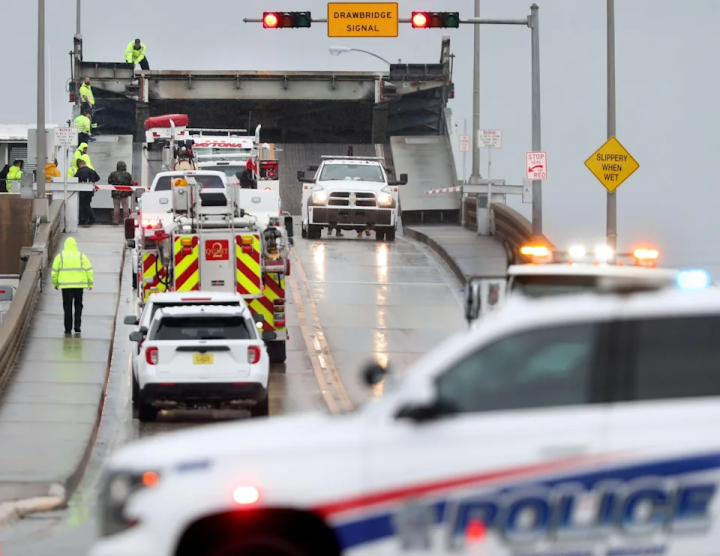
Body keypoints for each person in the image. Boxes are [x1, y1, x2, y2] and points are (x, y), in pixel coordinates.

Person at [51, 237, 93, 334]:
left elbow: (54, 272)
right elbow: (89, 270)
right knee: (78, 305)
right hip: (79, 285)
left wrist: (55, 283)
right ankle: (77, 326)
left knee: (67, 306)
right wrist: (90, 283)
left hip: (66, 287)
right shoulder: (81, 256)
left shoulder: (60, 256)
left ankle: (68, 328)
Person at [75, 159, 100, 225]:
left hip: (82, 192)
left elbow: (74, 179)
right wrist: (92, 181)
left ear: (80, 165)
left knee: (83, 205)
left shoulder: (80, 171)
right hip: (90, 191)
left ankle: (87, 219)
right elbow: (98, 178)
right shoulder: (91, 171)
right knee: (87, 204)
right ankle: (89, 219)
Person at [108, 161, 133, 225]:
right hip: (125, 194)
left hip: (115, 194)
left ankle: (115, 221)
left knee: (116, 207)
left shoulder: (113, 174)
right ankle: (126, 220)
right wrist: (130, 192)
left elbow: (109, 181)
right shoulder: (127, 174)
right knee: (125, 207)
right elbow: (131, 183)